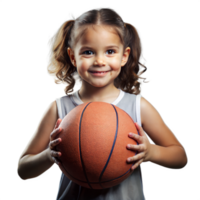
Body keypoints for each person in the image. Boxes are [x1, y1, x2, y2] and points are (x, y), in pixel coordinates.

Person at [17, 6, 188, 200]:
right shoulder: (59, 108)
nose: (99, 61)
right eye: (88, 52)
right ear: (73, 56)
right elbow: (23, 170)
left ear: (124, 56)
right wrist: (49, 155)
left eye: (110, 51)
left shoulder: (138, 106)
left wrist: (151, 152)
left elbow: (180, 158)